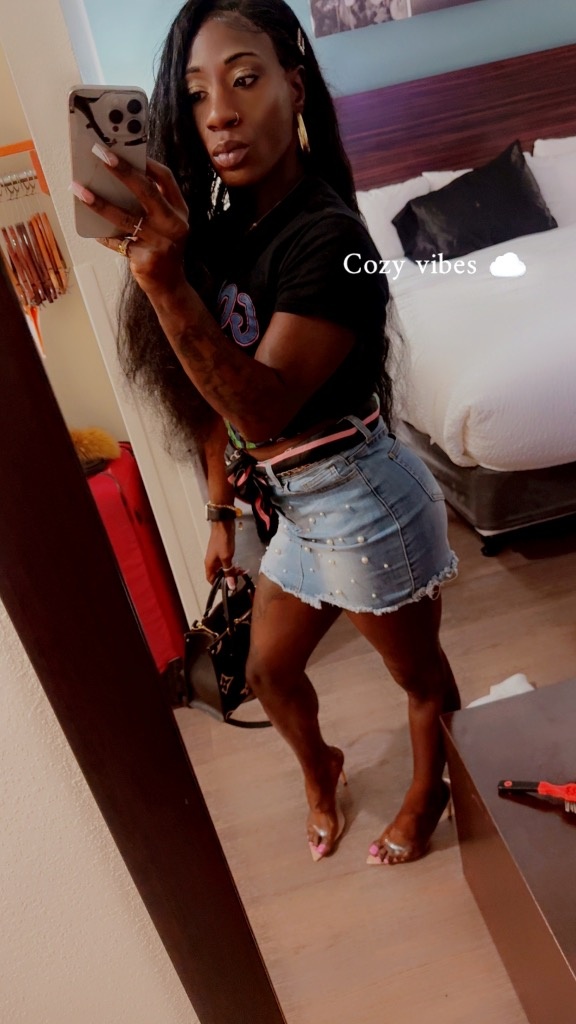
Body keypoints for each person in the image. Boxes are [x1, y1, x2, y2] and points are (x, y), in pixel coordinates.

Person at [71, 0, 461, 865]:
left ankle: (430, 790)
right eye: (196, 92)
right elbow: (213, 406)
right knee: (267, 673)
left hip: (362, 499)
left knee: (420, 678)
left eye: (244, 80)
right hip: (290, 506)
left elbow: (260, 408)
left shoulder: (334, 238)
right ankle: (322, 765)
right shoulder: (219, 232)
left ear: (295, 87)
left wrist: (166, 283)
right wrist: (220, 513)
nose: (219, 112)